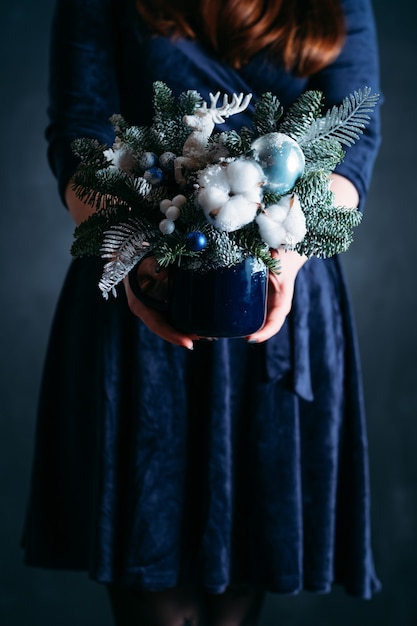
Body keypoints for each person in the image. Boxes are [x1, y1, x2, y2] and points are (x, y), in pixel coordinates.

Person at [22, 0, 382, 624]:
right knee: (150, 589)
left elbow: (354, 147)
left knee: (241, 585)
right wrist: (137, 256)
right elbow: (81, 136)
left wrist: (286, 247)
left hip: (277, 294)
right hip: (143, 288)